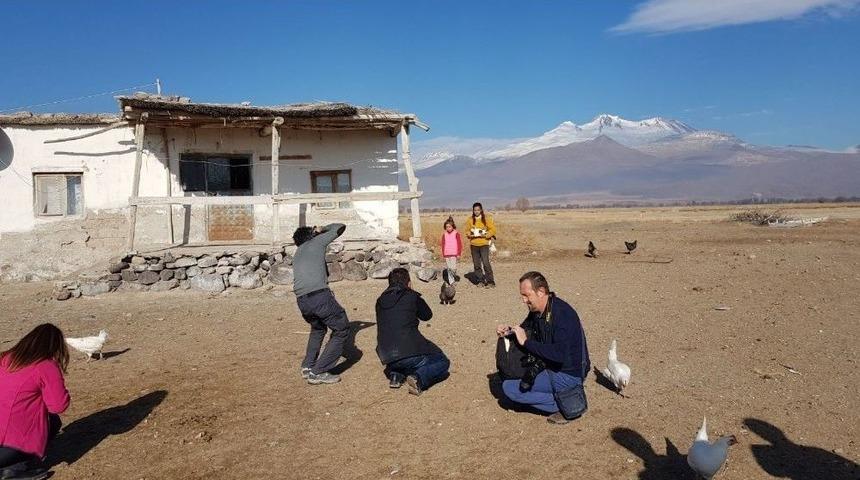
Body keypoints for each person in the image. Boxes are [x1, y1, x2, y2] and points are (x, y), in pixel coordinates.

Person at [495, 272, 590, 425]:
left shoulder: (562, 314)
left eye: (526, 295)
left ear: (540, 292)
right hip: (550, 366)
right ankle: (563, 396)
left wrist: (526, 343)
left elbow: (558, 355)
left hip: (568, 373)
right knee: (511, 376)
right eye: (522, 296)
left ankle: (565, 402)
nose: (523, 300)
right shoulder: (539, 311)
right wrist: (509, 330)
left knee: (509, 388)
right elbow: (525, 329)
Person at [1, 323, 70, 479]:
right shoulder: (46, 366)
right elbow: (58, 405)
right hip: (9, 446)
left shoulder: (6, 358)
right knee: (53, 421)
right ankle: (14, 469)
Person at [375, 268, 450, 396]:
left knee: (400, 355)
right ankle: (418, 378)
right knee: (442, 361)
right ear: (408, 283)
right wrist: (413, 294)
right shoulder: (411, 296)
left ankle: (396, 375)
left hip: (385, 354)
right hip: (409, 350)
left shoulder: (380, 300)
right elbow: (427, 315)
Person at [293, 223, 350, 385]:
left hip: (302, 300)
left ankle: (307, 366)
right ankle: (319, 371)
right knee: (342, 328)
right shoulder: (316, 242)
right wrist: (321, 229)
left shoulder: (298, 252)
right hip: (318, 296)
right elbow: (340, 227)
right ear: (312, 235)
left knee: (318, 329)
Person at [465, 202, 496, 287]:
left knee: (486, 263)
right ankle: (480, 280)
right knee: (476, 264)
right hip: (474, 244)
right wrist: (469, 234)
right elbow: (467, 230)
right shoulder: (470, 220)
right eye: (475, 210)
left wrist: (486, 235)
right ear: (473, 210)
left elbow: (493, 230)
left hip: (484, 244)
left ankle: (490, 281)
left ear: (481, 210)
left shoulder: (486, 219)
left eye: (478, 210)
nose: (476, 211)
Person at [439, 216, 462, 281]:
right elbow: (443, 244)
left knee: (453, 268)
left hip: (454, 254)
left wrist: (459, 253)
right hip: (447, 254)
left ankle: (454, 276)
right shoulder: (444, 235)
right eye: (447, 227)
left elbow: (459, 244)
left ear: (453, 226)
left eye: (449, 227)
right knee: (449, 268)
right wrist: (443, 254)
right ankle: (451, 282)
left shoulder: (456, 233)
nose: (448, 228)